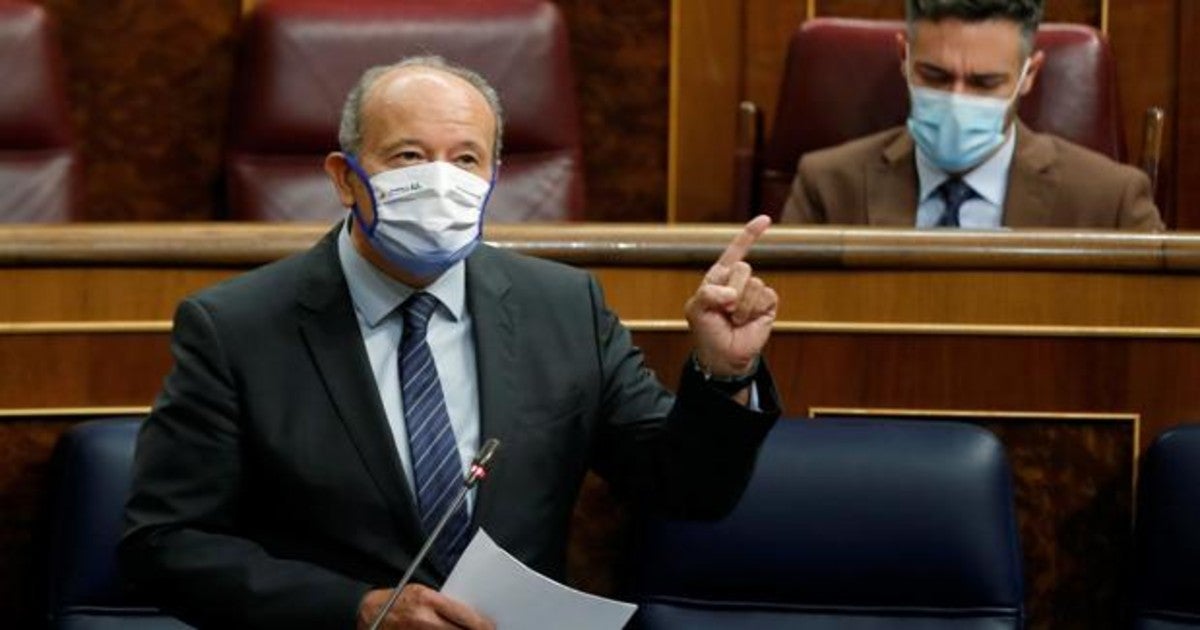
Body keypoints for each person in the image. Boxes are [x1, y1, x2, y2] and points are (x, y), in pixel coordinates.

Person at [120, 55, 782, 629]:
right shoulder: (236, 327)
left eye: (465, 158)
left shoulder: (562, 307)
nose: (441, 180)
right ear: (344, 176)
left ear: (493, 175)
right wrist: (358, 609)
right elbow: (165, 543)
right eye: (408, 156)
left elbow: (687, 491)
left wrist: (723, 373)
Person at [780, 0, 1164, 230]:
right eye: (935, 76)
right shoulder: (827, 188)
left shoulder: (1110, 201)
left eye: (985, 82)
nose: (955, 99)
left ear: (1028, 75)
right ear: (904, 58)